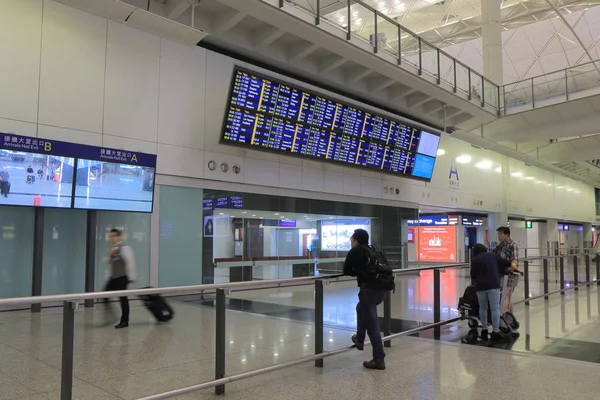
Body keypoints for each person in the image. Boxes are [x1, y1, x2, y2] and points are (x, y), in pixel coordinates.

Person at [343, 228, 387, 370]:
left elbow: (347, 270)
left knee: (372, 325)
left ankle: (379, 359)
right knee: (360, 308)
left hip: (369, 290)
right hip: (382, 289)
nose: (351, 241)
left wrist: (357, 271)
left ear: (357, 240)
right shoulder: (372, 250)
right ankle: (360, 339)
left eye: (352, 238)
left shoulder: (355, 251)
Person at [470, 243, 519, 344]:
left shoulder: (475, 260)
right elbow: (507, 263)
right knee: (495, 308)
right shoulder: (493, 255)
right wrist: (515, 268)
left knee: (483, 307)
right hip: (493, 285)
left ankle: (484, 329)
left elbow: (473, 275)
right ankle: (495, 332)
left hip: (480, 286)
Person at [103, 229, 136, 329]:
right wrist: (110, 254)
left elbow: (130, 262)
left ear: (119, 237)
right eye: (110, 236)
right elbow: (107, 261)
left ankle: (124, 321)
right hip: (113, 277)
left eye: (113, 236)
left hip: (122, 277)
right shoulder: (113, 249)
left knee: (123, 299)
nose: (111, 238)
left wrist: (131, 277)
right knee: (105, 295)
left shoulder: (125, 248)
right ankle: (112, 317)